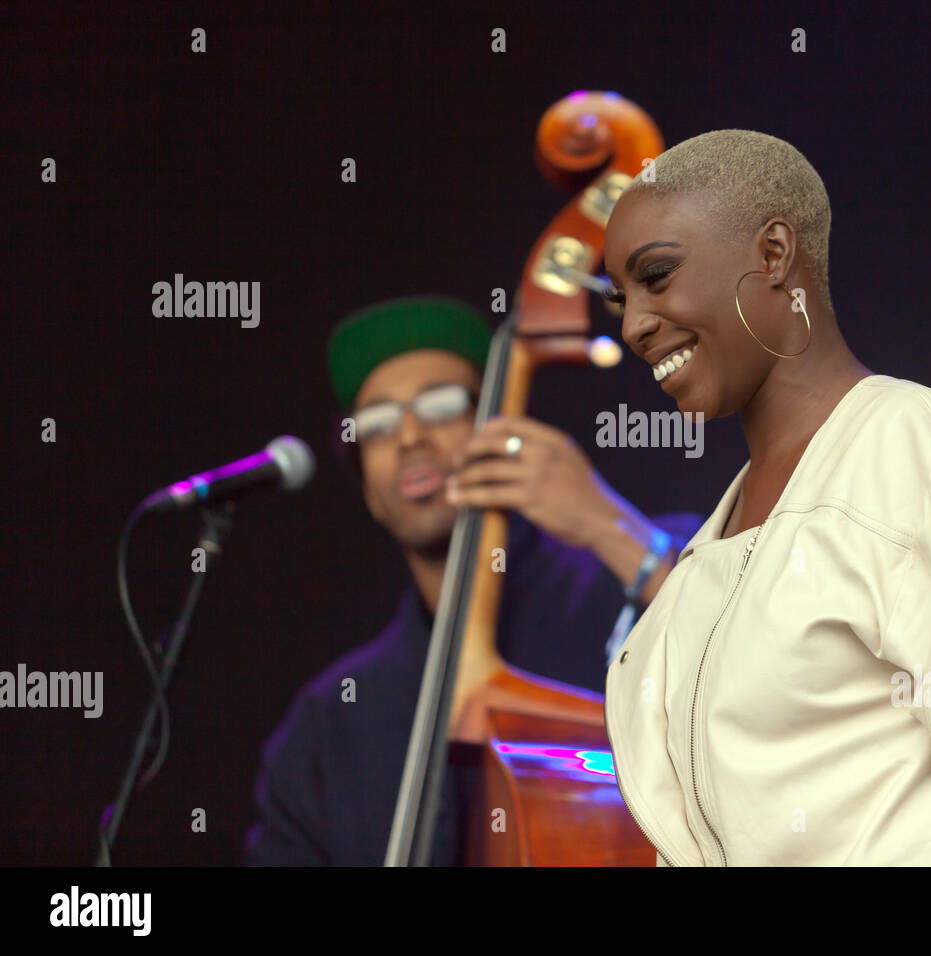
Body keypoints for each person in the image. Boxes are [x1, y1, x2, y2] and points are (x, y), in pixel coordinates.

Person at [601, 130, 931, 866]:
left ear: (773, 255)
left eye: (658, 276)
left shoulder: (909, 445)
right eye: (621, 296)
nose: (633, 324)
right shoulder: (711, 550)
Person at [244, 297, 699, 865]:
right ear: (366, 485)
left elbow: (768, 672)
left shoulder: (651, 565)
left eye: (438, 407)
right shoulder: (329, 724)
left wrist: (609, 526)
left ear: (499, 424)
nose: (409, 436)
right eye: (377, 425)